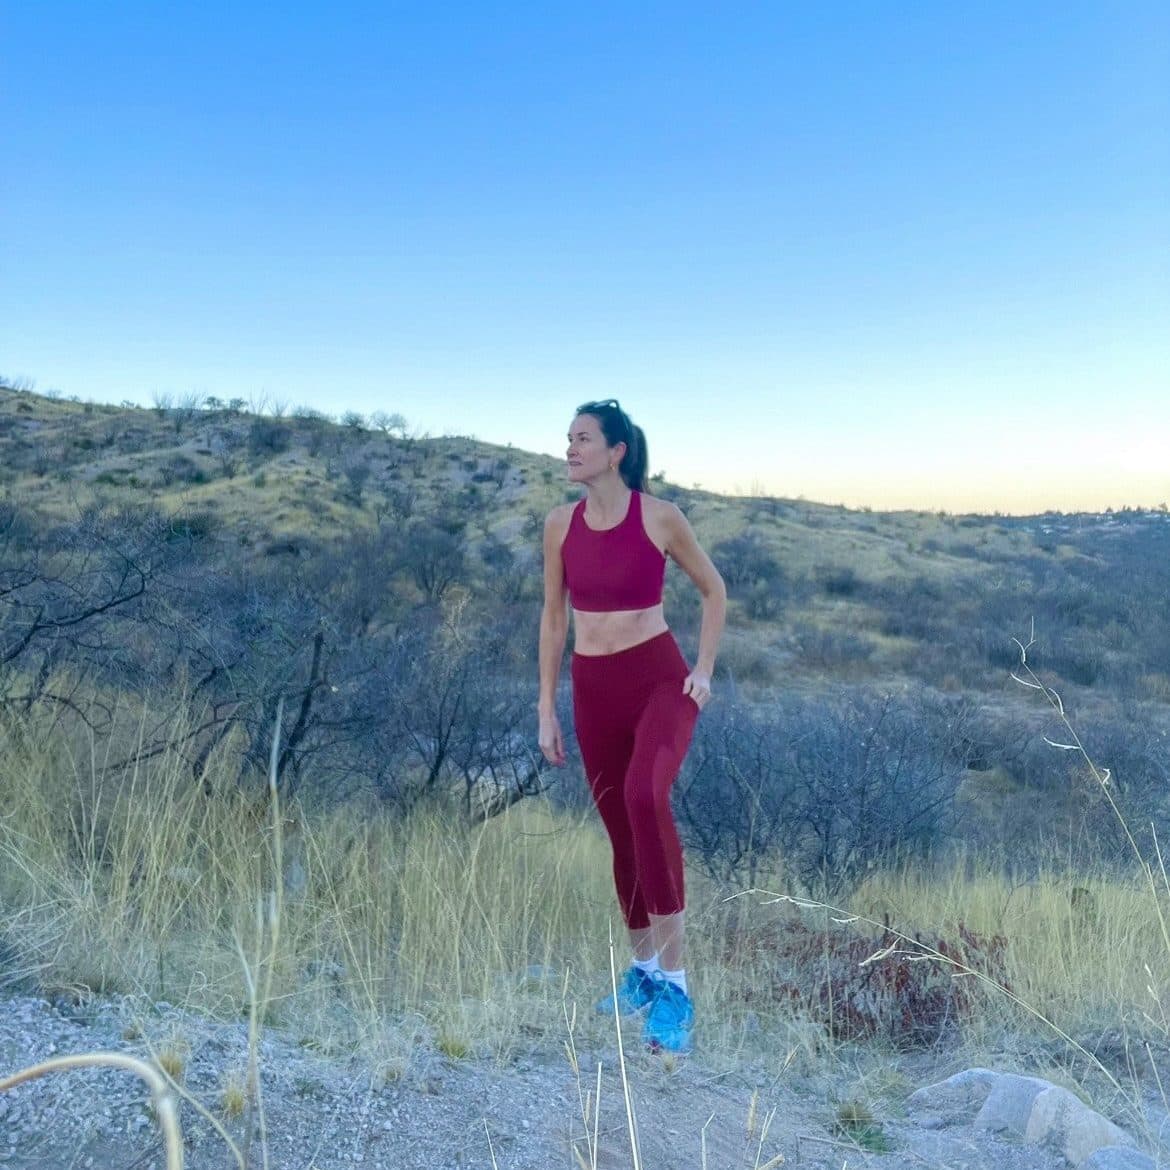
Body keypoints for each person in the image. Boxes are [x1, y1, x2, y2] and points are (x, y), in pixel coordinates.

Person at [537, 399, 726, 1054]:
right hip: (593, 690)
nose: (569, 449)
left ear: (617, 451)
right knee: (621, 828)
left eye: (582, 439)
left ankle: (676, 986)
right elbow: (554, 622)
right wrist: (545, 707)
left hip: (658, 681)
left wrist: (703, 669)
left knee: (648, 796)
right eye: (568, 439)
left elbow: (714, 591)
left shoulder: (660, 517)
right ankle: (643, 973)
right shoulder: (560, 525)